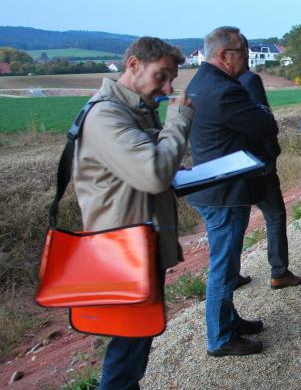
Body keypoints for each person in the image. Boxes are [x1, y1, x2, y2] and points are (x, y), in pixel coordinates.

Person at [72, 37, 193, 388]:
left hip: (137, 243)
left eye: (172, 79)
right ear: (134, 65)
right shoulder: (106, 115)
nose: (167, 87)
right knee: (127, 349)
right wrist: (178, 121)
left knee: (135, 340)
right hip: (122, 249)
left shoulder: (134, 109)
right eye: (161, 76)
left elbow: (145, 167)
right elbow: (153, 174)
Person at [187, 26, 278, 357]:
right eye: (243, 51)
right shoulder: (225, 90)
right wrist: (263, 111)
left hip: (213, 186)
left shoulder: (199, 83)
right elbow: (266, 125)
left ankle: (229, 320)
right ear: (225, 55)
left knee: (226, 262)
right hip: (225, 192)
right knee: (224, 267)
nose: (248, 57)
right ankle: (220, 337)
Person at [237, 70, 301, 289]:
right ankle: (279, 272)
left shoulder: (219, 83)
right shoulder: (249, 79)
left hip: (234, 165)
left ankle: (230, 274)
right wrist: (270, 155)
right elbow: (264, 122)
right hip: (259, 166)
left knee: (237, 222)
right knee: (275, 216)